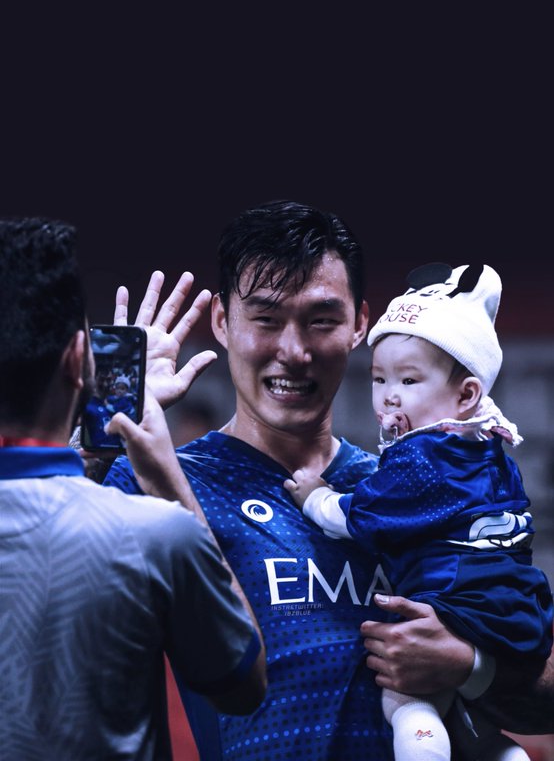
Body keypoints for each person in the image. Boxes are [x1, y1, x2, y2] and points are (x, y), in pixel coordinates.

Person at [103, 200, 554, 761]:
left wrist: (472, 665)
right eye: (266, 319)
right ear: (222, 321)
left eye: (321, 320)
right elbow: (29, 563)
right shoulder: (160, 482)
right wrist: (107, 418)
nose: (294, 352)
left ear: (359, 325)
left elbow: (544, 690)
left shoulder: (413, 487)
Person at [0, 217, 267, 761]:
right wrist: (165, 475)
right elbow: (242, 684)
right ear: (78, 359)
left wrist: (96, 444)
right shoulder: (156, 535)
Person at [284, 260, 554, 761]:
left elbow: (357, 517)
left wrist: (315, 495)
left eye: (409, 380)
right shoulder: (491, 450)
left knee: (406, 697)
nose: (389, 395)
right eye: (379, 378)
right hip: (519, 609)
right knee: (468, 716)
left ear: (467, 393)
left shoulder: (421, 458)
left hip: (458, 603)